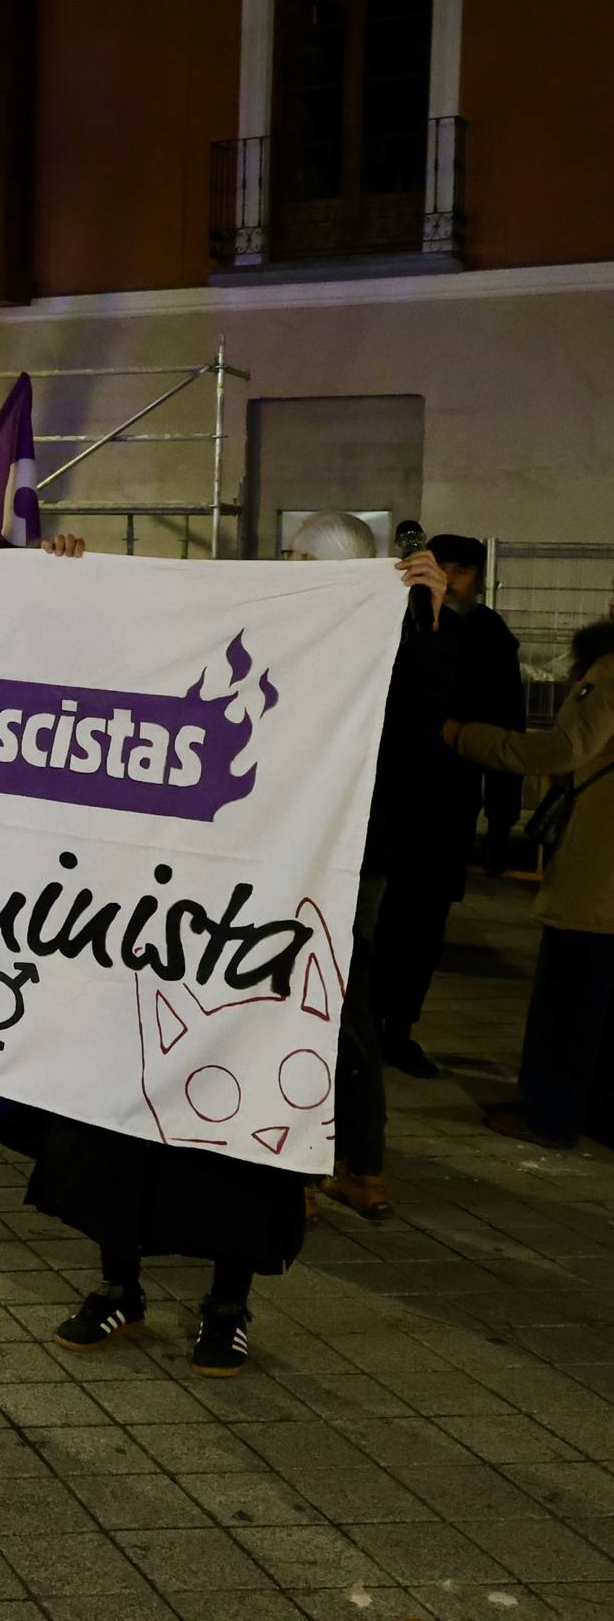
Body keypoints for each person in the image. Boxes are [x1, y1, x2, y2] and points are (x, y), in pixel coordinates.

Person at [30, 531, 442, 1376]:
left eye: (323, 572)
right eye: (295, 565)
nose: (301, 583)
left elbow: (411, 738)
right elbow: (106, 662)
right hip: (155, 907)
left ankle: (226, 1303)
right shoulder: (224, 618)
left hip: (273, 921)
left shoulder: (370, 655)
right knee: (127, 1097)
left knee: (243, 1112)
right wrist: (73, 577)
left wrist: (429, 617)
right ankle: (118, 1284)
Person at [280, 513, 458, 1221]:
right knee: (335, 999)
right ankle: (357, 1162)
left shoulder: (394, 640)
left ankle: (316, 1161)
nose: (284, 565)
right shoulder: (365, 636)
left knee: (318, 1001)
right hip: (341, 849)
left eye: (295, 556)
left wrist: (435, 615)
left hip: (339, 851)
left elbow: (419, 716)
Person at [446, 618, 614, 1149]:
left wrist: (463, 735)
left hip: (600, 874)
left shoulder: (610, 671)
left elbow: (562, 751)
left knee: (569, 1002)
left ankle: (550, 1117)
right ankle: (600, 1118)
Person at [374, 534, 526, 1076]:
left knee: (425, 923)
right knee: (382, 920)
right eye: (446, 569)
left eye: (465, 571)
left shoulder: (487, 636)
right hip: (388, 801)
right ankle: (369, 1025)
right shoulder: (392, 620)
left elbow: (508, 723)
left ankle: (400, 1029)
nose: (455, 581)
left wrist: (502, 821)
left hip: (449, 804)